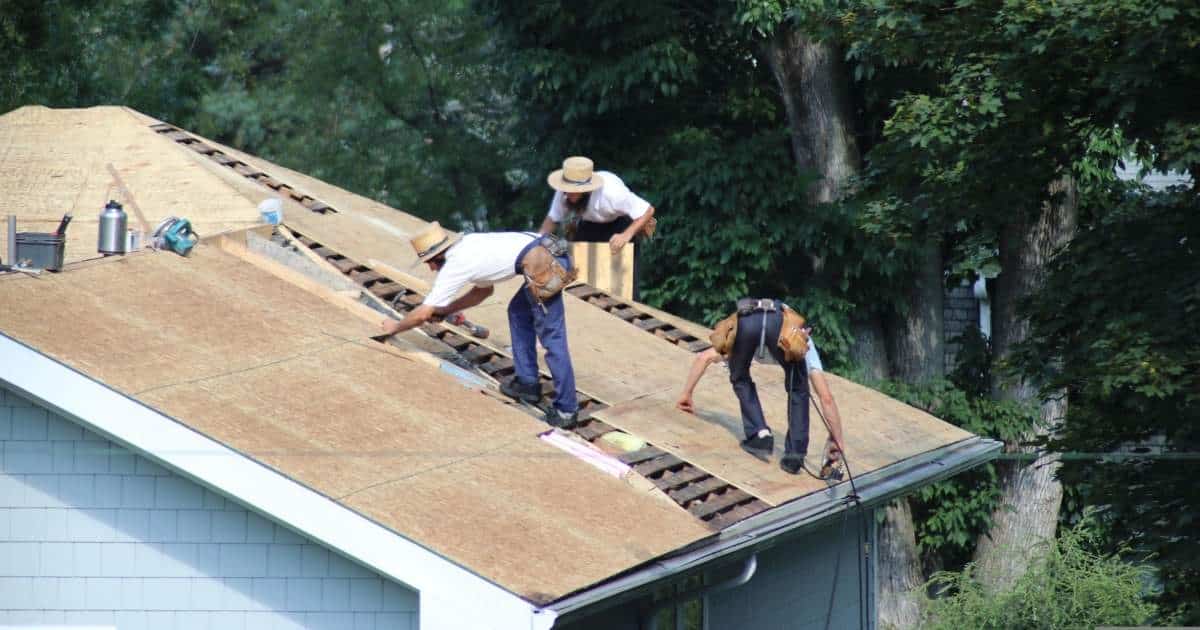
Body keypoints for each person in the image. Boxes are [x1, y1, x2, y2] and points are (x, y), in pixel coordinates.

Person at [380, 222, 579, 428]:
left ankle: (566, 409)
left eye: (430, 262)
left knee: (552, 338)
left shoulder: (456, 263)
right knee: (519, 313)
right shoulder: (469, 245)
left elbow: (422, 314)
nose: (430, 269)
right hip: (547, 254)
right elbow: (482, 292)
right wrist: (446, 310)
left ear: (439, 256)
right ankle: (527, 383)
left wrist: (395, 327)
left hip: (545, 264)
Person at [675, 299, 846, 475]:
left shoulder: (741, 331)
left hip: (747, 321)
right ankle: (795, 456)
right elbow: (826, 398)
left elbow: (704, 358)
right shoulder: (803, 343)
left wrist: (686, 394)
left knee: (740, 378)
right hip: (780, 328)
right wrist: (838, 440)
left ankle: (759, 433)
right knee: (799, 390)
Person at [538, 156, 656, 254]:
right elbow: (552, 219)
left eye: (572, 191)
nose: (567, 194)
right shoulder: (564, 191)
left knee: (624, 272)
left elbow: (647, 210)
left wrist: (625, 235)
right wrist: (536, 242)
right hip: (588, 225)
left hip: (620, 224)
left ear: (586, 190)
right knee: (577, 263)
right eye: (566, 190)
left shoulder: (612, 193)